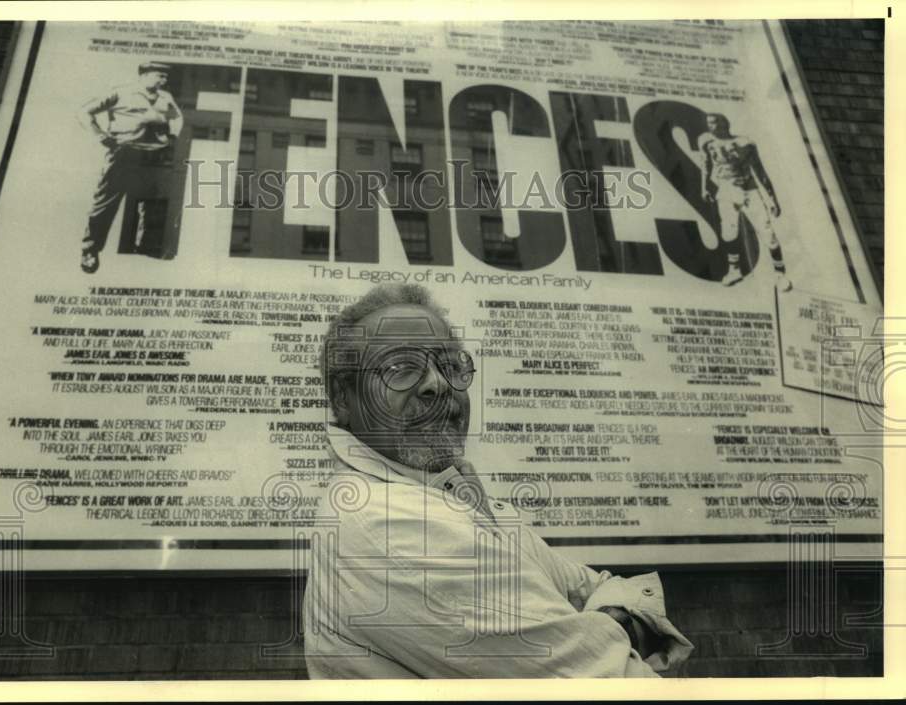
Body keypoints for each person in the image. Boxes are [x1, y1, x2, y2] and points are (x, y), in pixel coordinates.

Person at [301, 283, 693, 678]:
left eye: (451, 365)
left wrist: (605, 623)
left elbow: (594, 585)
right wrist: (612, 630)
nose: (437, 384)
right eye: (401, 368)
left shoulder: (450, 494)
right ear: (344, 399)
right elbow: (613, 681)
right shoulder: (390, 524)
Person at [77, 61, 183, 273]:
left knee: (151, 202)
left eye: (165, 77)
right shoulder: (120, 93)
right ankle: (90, 250)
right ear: (143, 75)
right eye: (158, 76)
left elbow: (178, 117)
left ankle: (145, 247)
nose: (163, 80)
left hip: (153, 155)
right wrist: (100, 136)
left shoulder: (166, 97)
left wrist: (171, 136)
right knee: (105, 204)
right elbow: (84, 112)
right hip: (124, 152)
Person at [699, 112, 792, 291]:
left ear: (724, 124)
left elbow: (759, 170)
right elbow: (705, 166)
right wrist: (704, 188)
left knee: (767, 233)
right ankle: (734, 270)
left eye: (715, 123)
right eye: (709, 123)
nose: (711, 127)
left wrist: (772, 199)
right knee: (729, 232)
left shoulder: (745, 143)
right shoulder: (707, 143)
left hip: (748, 190)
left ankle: (780, 274)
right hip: (726, 190)